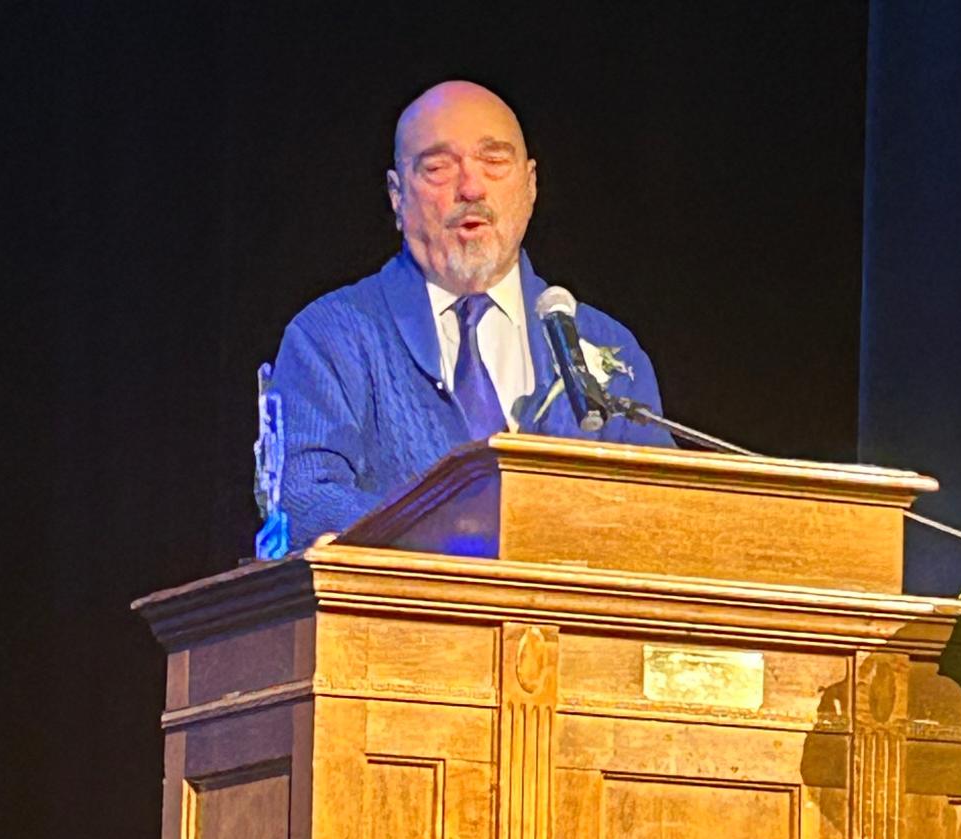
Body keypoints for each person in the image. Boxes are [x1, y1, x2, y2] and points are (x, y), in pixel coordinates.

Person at [266, 80, 672, 550]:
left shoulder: (606, 347)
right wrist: (466, 534)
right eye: (438, 168)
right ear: (398, 197)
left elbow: (657, 520)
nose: (471, 187)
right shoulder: (331, 337)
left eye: (495, 161)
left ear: (531, 185)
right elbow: (303, 501)